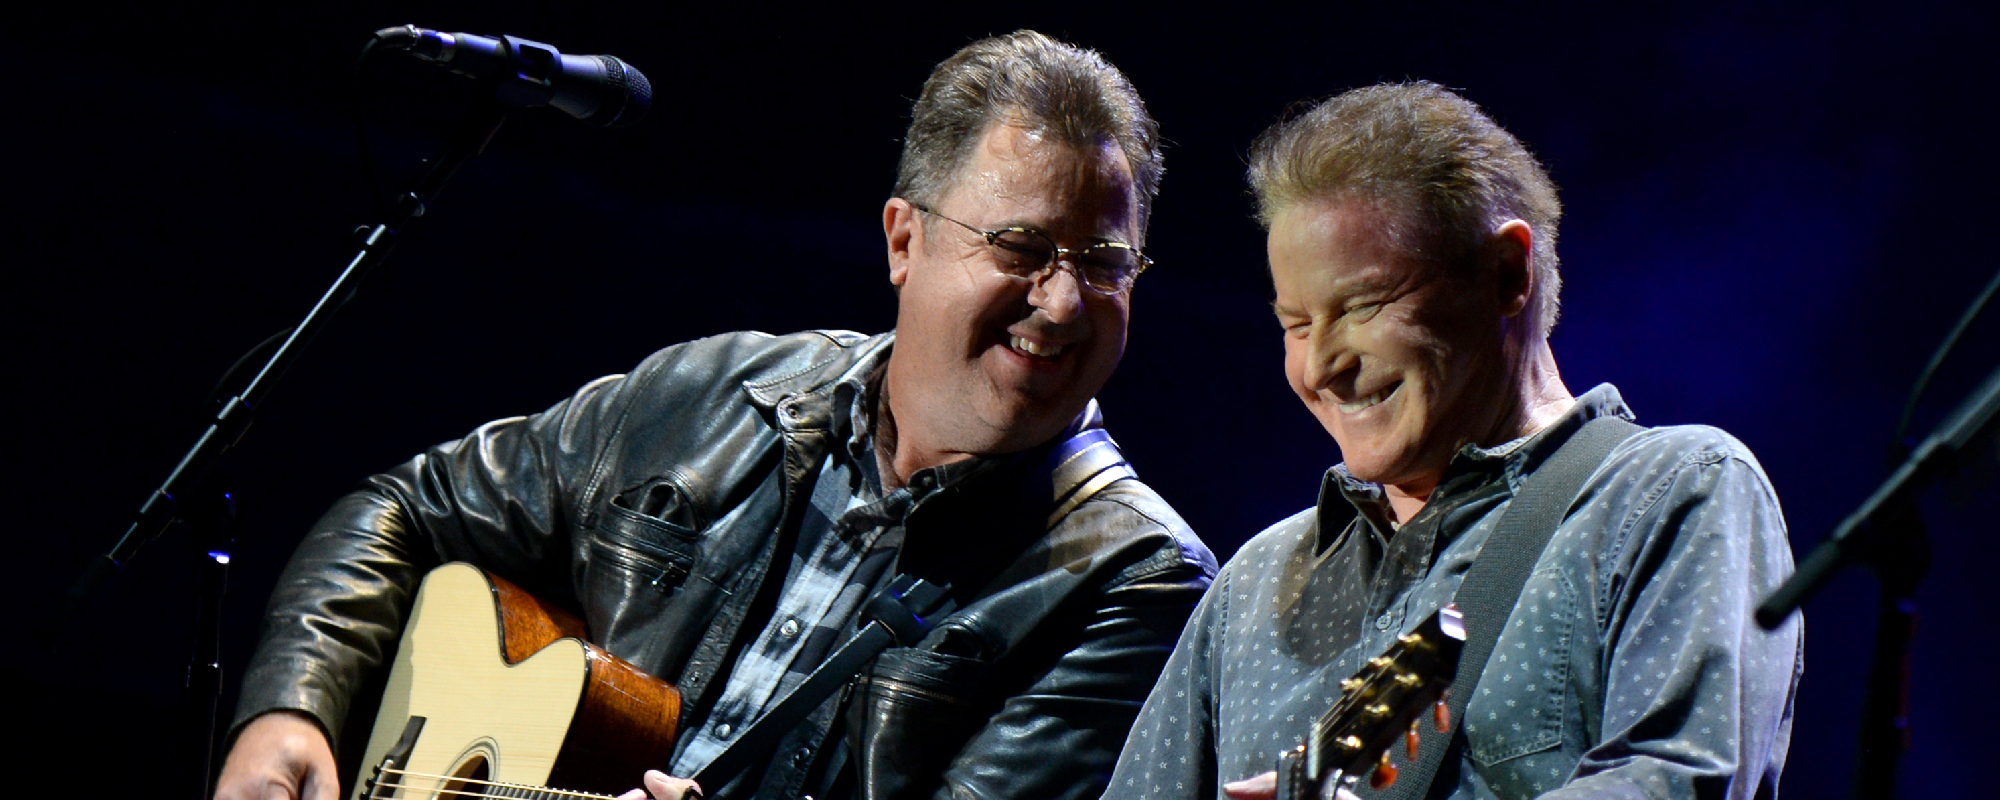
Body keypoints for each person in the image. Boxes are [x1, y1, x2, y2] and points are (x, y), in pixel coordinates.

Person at [214, 30, 1216, 800]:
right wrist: (289, 715)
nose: (1063, 300)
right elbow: (403, 509)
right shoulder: (718, 390)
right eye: (1022, 245)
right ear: (903, 240)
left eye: (1103, 263)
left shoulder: (1136, 579)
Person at [1107, 82, 1802, 800]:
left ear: (1507, 274)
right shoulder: (1251, 587)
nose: (1321, 367)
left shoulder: (1670, 493)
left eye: (1362, 306)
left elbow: (1678, 780)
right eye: (1297, 324)